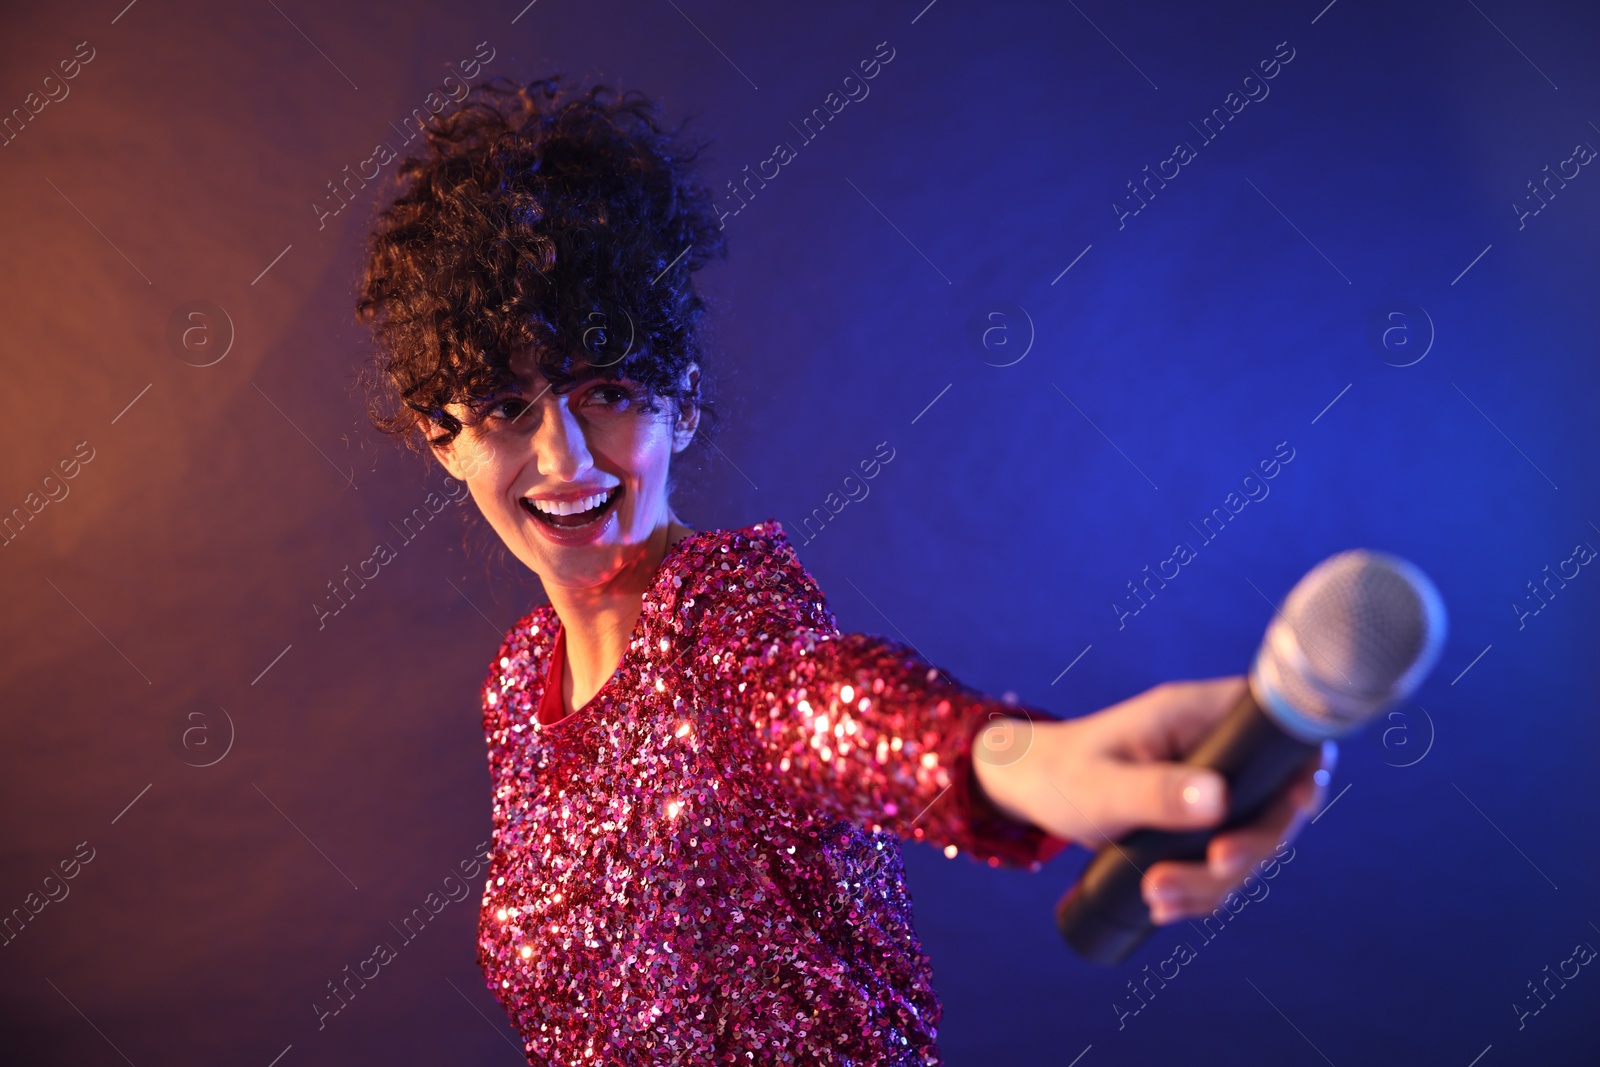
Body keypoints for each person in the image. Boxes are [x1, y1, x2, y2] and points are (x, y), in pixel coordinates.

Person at [355, 75, 1331, 1065]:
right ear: (445, 437)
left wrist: (1031, 760)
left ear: (681, 401)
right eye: (507, 407)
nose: (564, 460)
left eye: (604, 390)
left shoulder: (725, 616)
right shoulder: (519, 688)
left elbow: (827, 708)